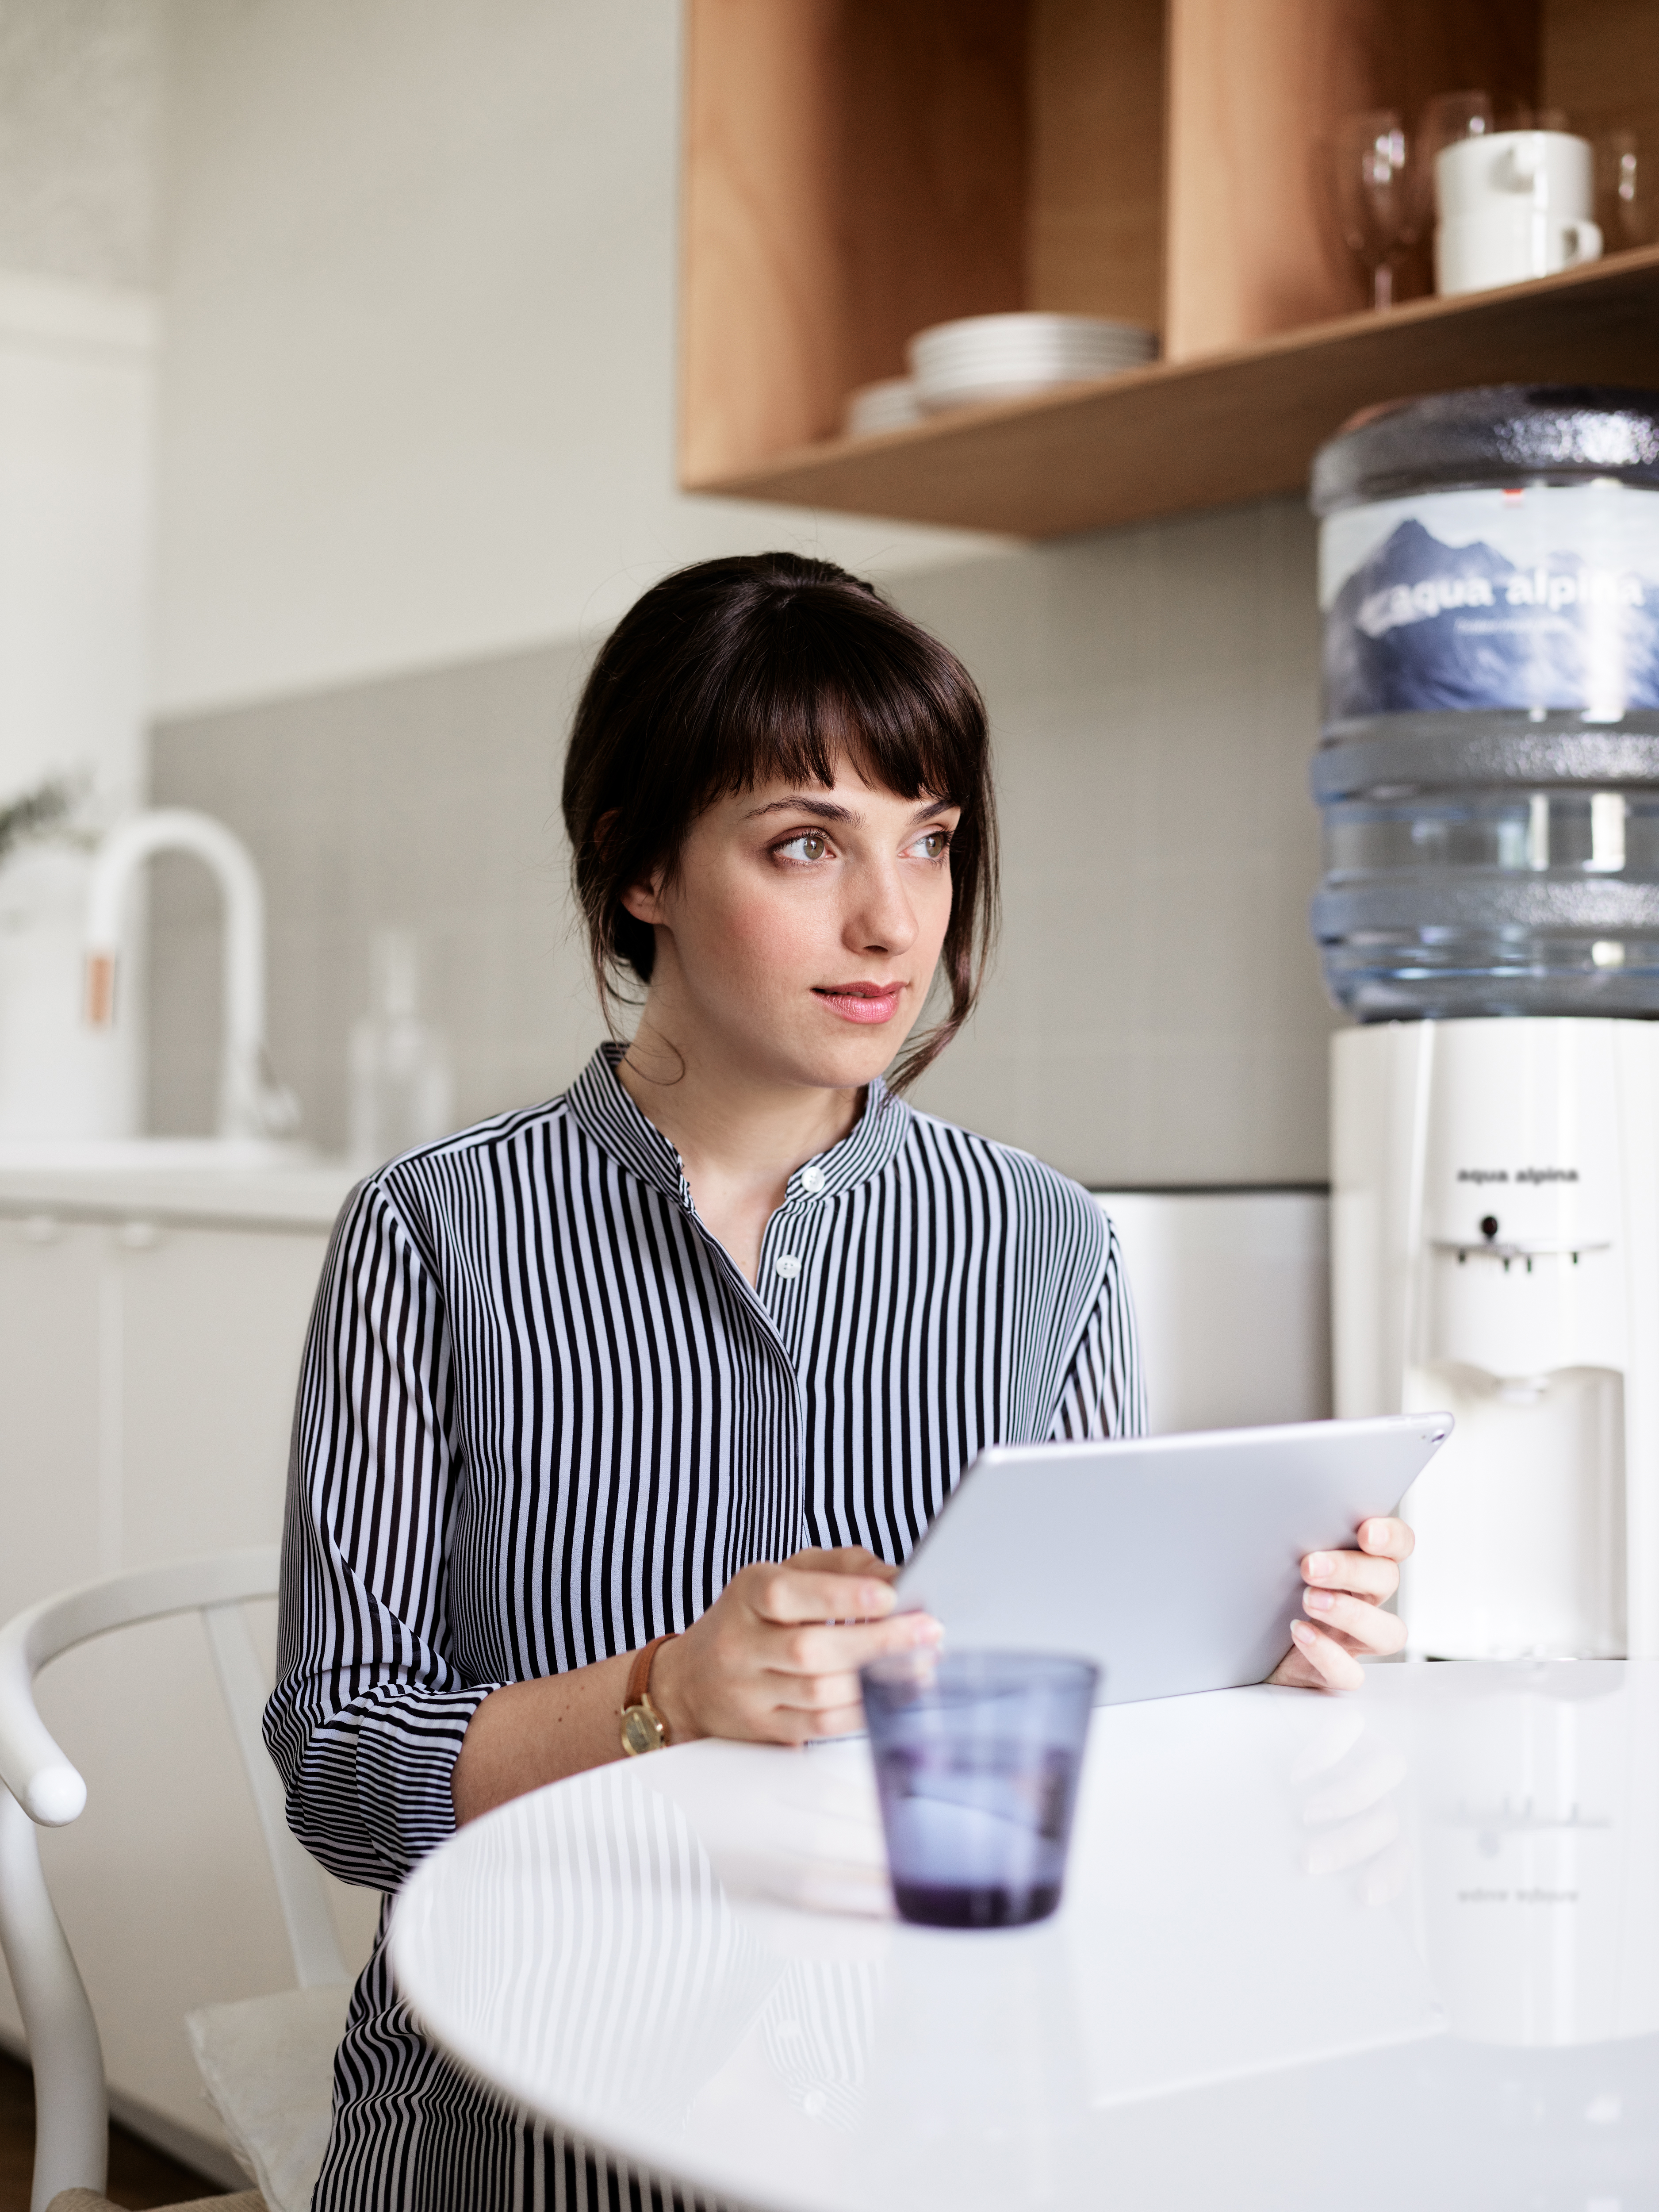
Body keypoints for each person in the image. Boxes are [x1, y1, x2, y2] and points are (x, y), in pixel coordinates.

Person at [265, 553, 1412, 2211]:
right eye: (806, 844)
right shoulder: (435, 1232)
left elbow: (1085, 1746)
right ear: (640, 865)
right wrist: (661, 1695)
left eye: (929, 840)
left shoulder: (1043, 1243)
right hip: (531, 2114)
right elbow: (337, 1765)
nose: (894, 922)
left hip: (940, 2101)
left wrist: (1265, 1671)